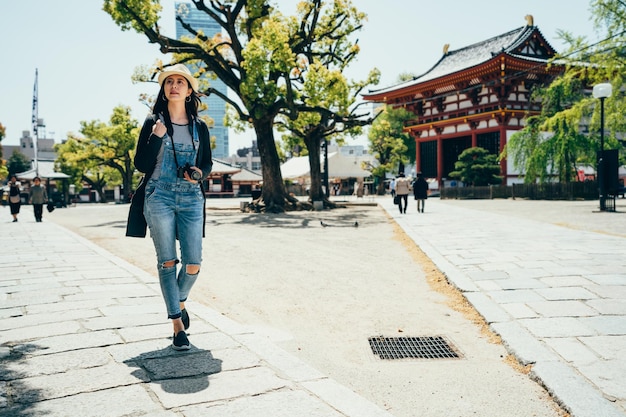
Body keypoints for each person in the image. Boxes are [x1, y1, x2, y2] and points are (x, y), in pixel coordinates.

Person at [126, 63, 213, 351]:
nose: (174, 86)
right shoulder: (153, 121)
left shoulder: (199, 126)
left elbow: (207, 164)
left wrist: (197, 174)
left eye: (180, 82)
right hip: (158, 195)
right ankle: (177, 325)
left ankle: (181, 300)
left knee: (193, 264)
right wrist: (157, 136)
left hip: (190, 198)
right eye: (169, 82)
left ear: (189, 91)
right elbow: (140, 164)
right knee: (167, 261)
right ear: (164, 90)